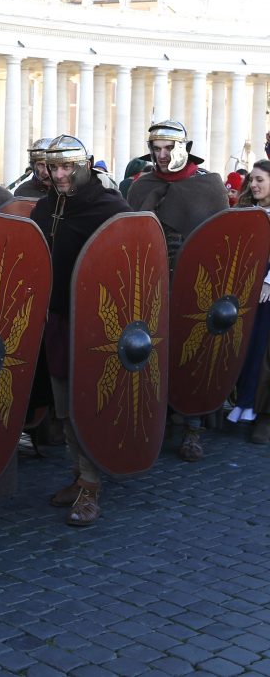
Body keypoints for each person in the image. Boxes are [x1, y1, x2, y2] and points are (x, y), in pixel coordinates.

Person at [30, 135, 132, 527]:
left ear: (84, 165)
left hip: (94, 324)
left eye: (67, 167)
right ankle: (78, 474)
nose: (59, 175)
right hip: (55, 319)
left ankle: (91, 486)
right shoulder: (46, 206)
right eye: (53, 167)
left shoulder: (108, 207)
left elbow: (128, 261)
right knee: (63, 405)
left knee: (86, 401)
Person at [126, 119, 229, 462]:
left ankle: (192, 427)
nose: (161, 154)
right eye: (156, 148)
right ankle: (153, 421)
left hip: (196, 285)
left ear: (185, 148)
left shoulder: (209, 186)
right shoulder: (142, 186)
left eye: (169, 148)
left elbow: (221, 242)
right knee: (152, 352)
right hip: (152, 284)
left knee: (194, 350)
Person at [231, 160, 270, 442]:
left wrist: (269, 281)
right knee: (245, 346)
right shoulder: (246, 212)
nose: (254, 185)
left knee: (263, 351)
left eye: (260, 180)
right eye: (252, 180)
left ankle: (261, 416)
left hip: (267, 290)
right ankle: (243, 405)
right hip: (247, 289)